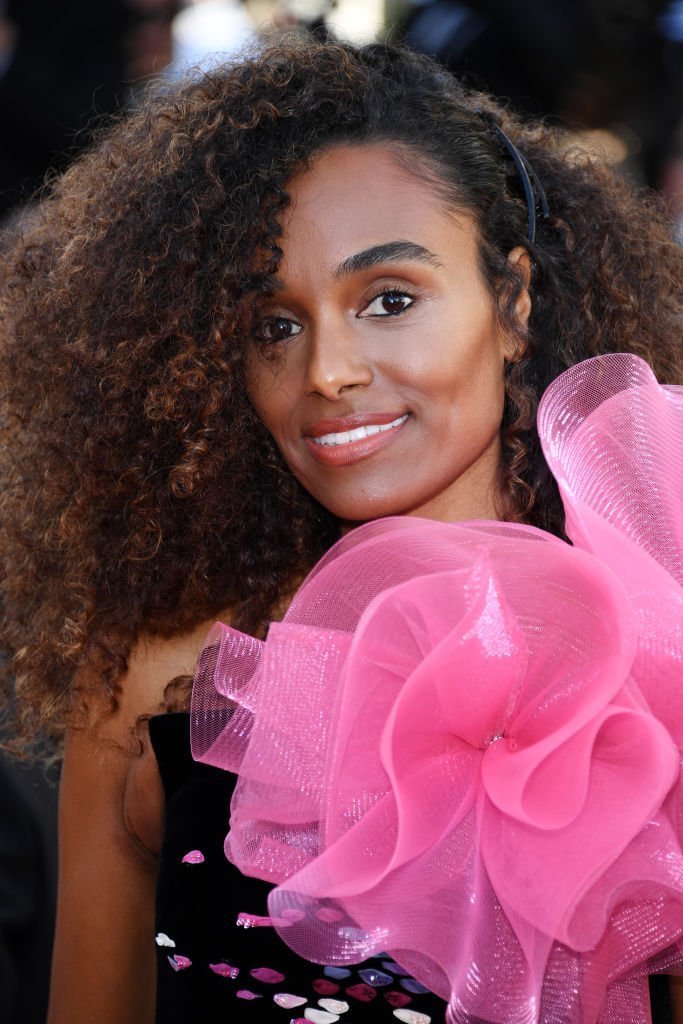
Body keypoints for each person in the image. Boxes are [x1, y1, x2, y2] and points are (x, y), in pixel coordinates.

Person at [0, 38, 681, 1024]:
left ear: (512, 302)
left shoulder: (655, 669)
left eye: (388, 300)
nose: (326, 369)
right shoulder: (152, 678)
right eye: (272, 324)